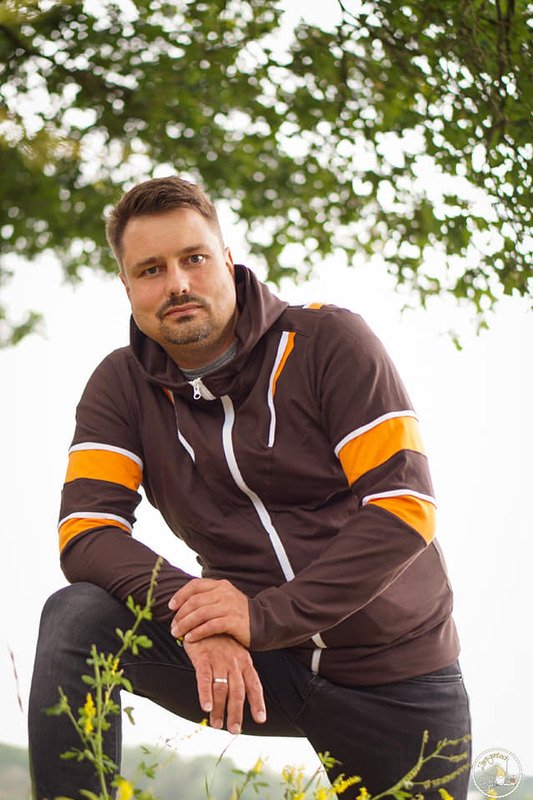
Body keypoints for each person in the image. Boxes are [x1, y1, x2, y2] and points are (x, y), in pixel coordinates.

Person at [28, 176, 471, 799]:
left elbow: (405, 509)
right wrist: (201, 615)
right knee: (76, 618)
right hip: (252, 661)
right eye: (151, 270)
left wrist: (260, 617)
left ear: (228, 261)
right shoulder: (120, 386)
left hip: (393, 674)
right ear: (127, 287)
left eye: (194, 258)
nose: (177, 283)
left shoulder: (328, 342)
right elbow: (86, 530)